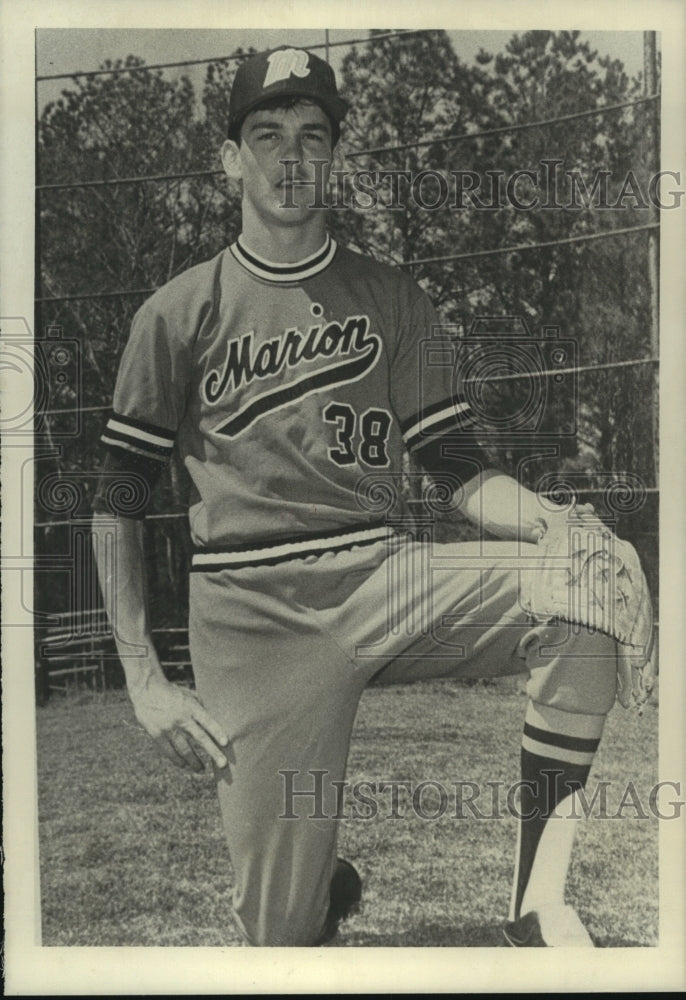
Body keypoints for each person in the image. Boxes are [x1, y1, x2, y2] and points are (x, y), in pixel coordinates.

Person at [91, 45, 630, 948]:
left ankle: (539, 907)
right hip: (250, 610)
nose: (290, 156)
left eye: (312, 135)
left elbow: (459, 472)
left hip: (385, 577)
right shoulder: (176, 313)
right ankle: (312, 897)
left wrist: (555, 524)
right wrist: (143, 680)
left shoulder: (392, 297)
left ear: (335, 156)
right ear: (230, 158)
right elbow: (115, 498)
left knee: (583, 592)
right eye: (266, 135)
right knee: (279, 946)